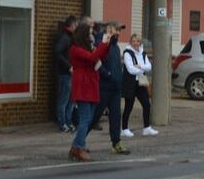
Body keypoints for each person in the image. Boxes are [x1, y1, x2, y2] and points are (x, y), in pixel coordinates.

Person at [67, 23, 113, 161]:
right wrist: (103, 44)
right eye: (89, 33)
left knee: (89, 118)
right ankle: (78, 147)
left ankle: (78, 145)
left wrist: (107, 44)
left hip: (90, 84)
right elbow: (93, 58)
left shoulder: (86, 47)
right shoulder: (75, 49)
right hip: (83, 85)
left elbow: (100, 57)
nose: (91, 36)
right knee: (85, 119)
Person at [93, 21, 129, 155]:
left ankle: (116, 143)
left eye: (120, 30)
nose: (119, 33)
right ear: (109, 29)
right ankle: (79, 143)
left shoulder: (116, 47)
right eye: (117, 29)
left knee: (115, 116)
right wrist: (106, 74)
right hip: (105, 86)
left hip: (115, 87)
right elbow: (96, 61)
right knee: (94, 115)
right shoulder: (101, 42)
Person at [122, 33, 157, 138]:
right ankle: (124, 129)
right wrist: (142, 68)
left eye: (137, 41)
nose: (135, 43)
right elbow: (130, 69)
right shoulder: (127, 53)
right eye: (133, 41)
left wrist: (140, 66)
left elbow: (149, 67)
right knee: (129, 106)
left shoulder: (142, 53)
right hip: (130, 83)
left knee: (146, 104)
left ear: (140, 42)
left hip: (140, 82)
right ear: (130, 42)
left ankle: (147, 128)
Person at [54, 15, 77, 132]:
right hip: (65, 73)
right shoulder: (65, 37)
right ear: (72, 25)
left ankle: (68, 121)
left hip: (69, 72)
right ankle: (63, 123)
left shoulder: (69, 37)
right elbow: (58, 52)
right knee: (64, 99)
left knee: (71, 99)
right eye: (75, 26)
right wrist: (69, 66)